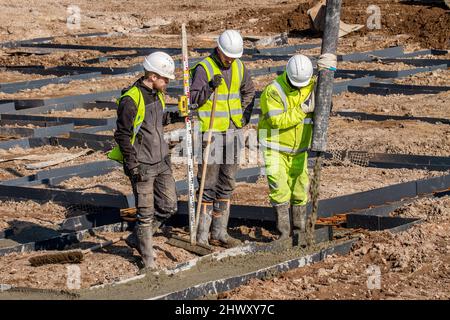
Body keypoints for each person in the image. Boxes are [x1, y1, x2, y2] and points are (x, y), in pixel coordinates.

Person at [108, 51, 178, 268]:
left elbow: (157, 120)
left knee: (169, 206)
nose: (167, 82)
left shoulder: (158, 95)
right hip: (143, 165)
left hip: (162, 160)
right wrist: (132, 164)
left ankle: (137, 237)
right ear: (153, 76)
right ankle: (148, 261)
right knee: (145, 214)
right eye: (165, 78)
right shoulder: (131, 99)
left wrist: (178, 116)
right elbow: (122, 135)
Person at [190, 29, 256, 247]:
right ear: (218, 49)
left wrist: (244, 116)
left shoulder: (238, 66)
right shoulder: (204, 68)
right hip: (211, 133)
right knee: (208, 184)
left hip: (233, 132)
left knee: (227, 182)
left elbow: (249, 91)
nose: (230, 60)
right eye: (228, 56)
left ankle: (219, 233)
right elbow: (194, 100)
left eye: (233, 57)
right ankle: (201, 234)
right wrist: (209, 87)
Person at [257, 54, 316, 242]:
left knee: (300, 190)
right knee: (280, 190)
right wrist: (301, 110)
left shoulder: (312, 86)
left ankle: (299, 232)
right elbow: (276, 121)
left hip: (299, 149)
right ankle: (283, 234)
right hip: (275, 148)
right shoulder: (273, 91)